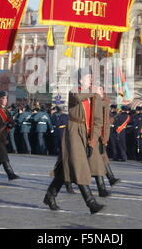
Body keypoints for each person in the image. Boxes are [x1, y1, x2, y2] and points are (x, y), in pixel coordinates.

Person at [43, 69, 105, 214]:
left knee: (66, 168)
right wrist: (94, 93)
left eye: (91, 78)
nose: (90, 80)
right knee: (79, 165)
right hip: (73, 131)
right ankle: (91, 203)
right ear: (80, 80)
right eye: (87, 77)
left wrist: (94, 139)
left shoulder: (94, 98)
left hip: (87, 134)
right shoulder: (74, 92)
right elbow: (77, 97)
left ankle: (50, 196)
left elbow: (98, 121)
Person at [97, 86, 120, 188]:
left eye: (102, 90)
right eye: (99, 90)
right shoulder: (95, 103)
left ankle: (110, 179)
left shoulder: (104, 104)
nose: (102, 92)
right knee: (96, 161)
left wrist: (111, 118)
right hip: (95, 134)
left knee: (102, 158)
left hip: (101, 135)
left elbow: (106, 120)